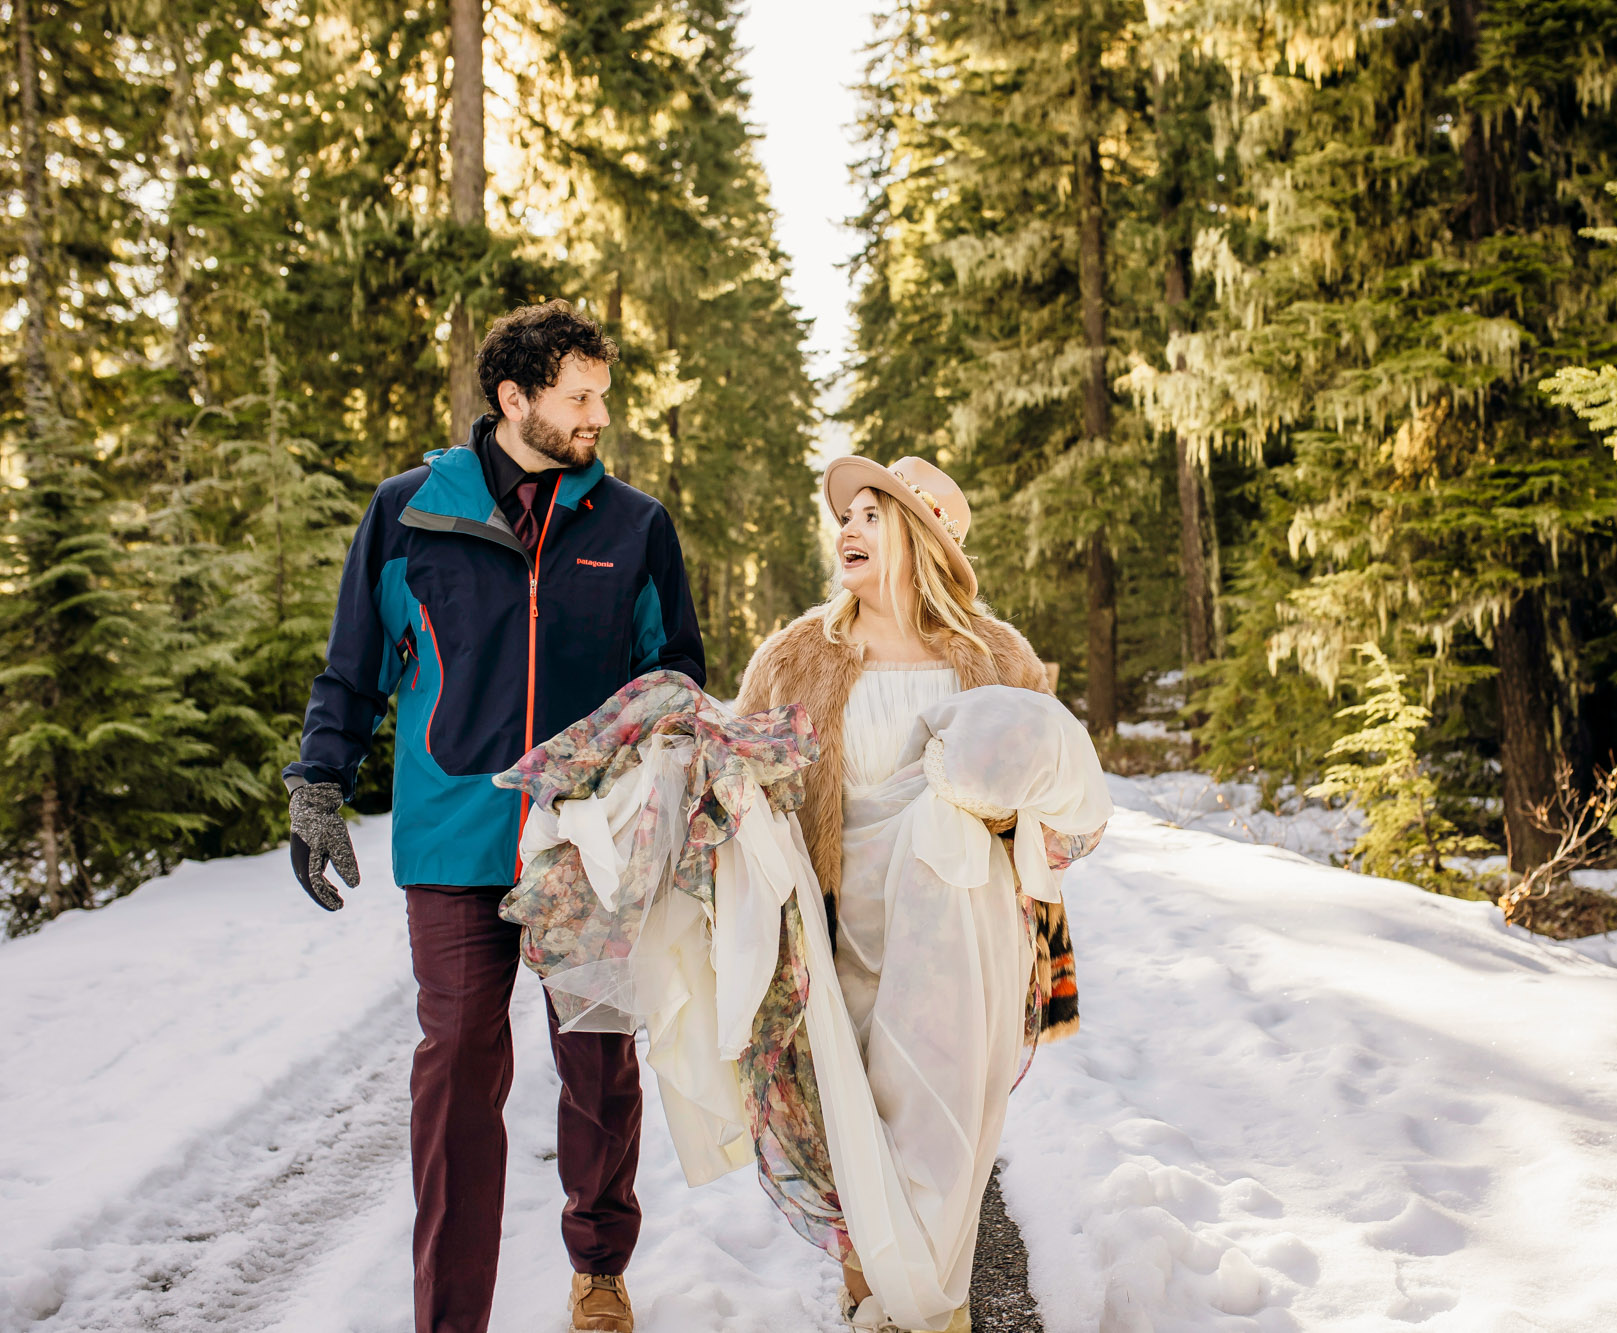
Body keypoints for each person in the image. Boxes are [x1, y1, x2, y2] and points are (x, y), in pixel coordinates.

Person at [281, 300, 704, 1333]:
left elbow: (675, 676)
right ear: (515, 399)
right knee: (459, 1064)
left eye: (603, 393)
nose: (600, 414)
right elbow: (355, 666)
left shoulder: (635, 525)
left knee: (599, 1064)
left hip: (589, 843)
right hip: (454, 839)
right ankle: (448, 1314)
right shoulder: (410, 511)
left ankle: (598, 1265)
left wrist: (667, 780)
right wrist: (317, 781)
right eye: (580, 396)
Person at [733, 456, 1095, 1331]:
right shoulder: (796, 654)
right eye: (845, 515)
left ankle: (939, 1304)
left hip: (962, 936)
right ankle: (876, 1293)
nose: (848, 530)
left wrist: (1031, 828)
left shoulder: (994, 654)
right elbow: (741, 774)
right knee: (849, 1123)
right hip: (836, 930)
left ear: (922, 539)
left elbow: (1060, 793)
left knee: (940, 1121)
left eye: (872, 515)